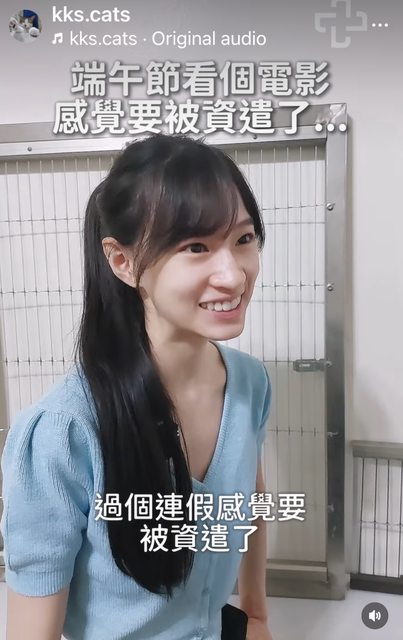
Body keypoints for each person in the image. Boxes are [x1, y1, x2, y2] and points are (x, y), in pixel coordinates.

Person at [1, 134, 273, 639]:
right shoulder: (62, 432)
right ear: (123, 262)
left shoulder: (250, 383)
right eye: (196, 247)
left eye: (243, 239)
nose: (234, 276)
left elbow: (251, 503)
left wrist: (255, 614)